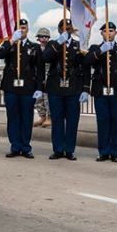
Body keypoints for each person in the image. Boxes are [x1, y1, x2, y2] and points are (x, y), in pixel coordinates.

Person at [83, 22, 117, 163]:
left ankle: (115, 152)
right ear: (101, 33)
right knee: (102, 122)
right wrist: (101, 51)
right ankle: (103, 152)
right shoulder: (95, 48)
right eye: (105, 31)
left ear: (116, 33)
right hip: (100, 91)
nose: (108, 33)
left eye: (111, 31)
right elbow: (86, 62)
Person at [42, 19, 88, 160]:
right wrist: (59, 42)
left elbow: (85, 67)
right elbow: (45, 58)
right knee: (57, 120)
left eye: (69, 28)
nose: (66, 30)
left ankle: (69, 150)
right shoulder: (52, 44)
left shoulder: (78, 45)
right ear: (59, 30)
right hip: (55, 88)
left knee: (72, 121)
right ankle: (58, 149)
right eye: (64, 28)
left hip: (73, 88)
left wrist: (86, 89)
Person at [0, 19, 44, 158]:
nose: (22, 30)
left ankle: (25, 147)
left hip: (28, 88)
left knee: (27, 118)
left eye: (24, 27)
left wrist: (39, 88)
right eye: (19, 28)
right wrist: (12, 41)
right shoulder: (9, 44)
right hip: (11, 87)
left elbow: (40, 69)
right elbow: (0, 55)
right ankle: (15, 146)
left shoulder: (34, 47)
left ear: (28, 29)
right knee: (13, 118)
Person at [33, 27, 51, 128]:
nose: (44, 38)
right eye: (42, 36)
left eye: (46, 36)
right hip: (38, 77)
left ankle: (49, 117)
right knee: (38, 100)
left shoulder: (51, 48)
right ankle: (42, 116)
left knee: (47, 99)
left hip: (48, 76)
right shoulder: (35, 48)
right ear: (38, 38)